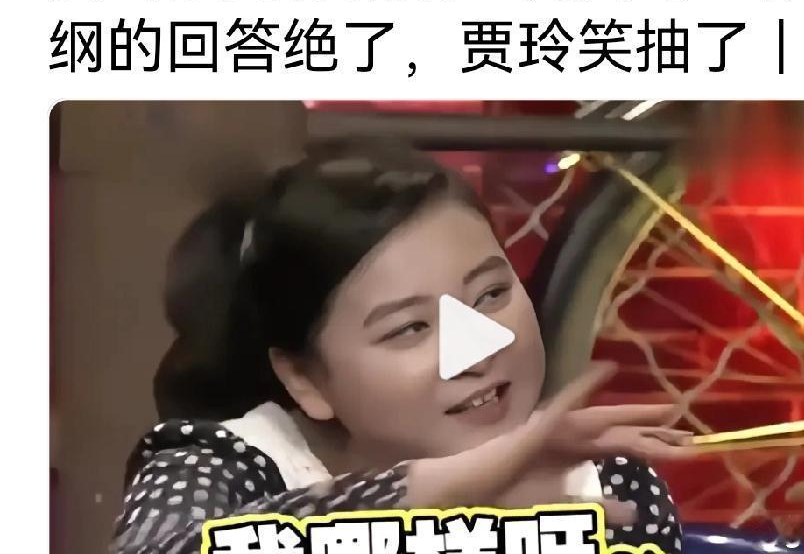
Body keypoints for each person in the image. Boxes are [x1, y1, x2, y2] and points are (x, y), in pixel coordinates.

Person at [112, 140, 692, 554]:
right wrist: (442, 492)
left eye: (492, 293)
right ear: (303, 380)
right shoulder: (227, 465)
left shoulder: (609, 485)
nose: (478, 350)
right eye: (410, 328)